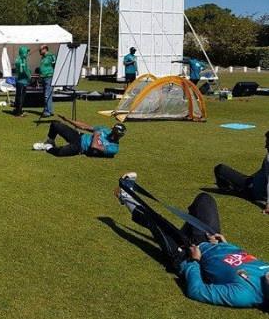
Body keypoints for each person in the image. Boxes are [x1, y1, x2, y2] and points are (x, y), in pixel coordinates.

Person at [116, 172, 269, 308]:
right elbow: (241, 260)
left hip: (186, 255)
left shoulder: (244, 295)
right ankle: (182, 233)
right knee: (205, 199)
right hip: (211, 241)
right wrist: (226, 245)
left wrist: (194, 261)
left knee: (156, 221)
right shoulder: (267, 270)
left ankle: (124, 195)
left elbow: (197, 291)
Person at [214, 131, 269, 213]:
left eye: (268, 143)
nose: (265, 146)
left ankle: (226, 188)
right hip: (256, 184)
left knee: (220, 168)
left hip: (253, 190)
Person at [32, 115, 125, 157]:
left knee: (59, 152)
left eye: (117, 135)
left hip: (80, 148)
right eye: (113, 132)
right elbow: (84, 126)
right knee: (55, 124)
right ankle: (51, 141)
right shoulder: (104, 129)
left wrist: (96, 134)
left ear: (120, 136)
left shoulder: (113, 148)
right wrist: (68, 120)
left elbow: (94, 146)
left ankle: (47, 148)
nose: (113, 136)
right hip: (79, 136)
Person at [39, 45, 57, 117]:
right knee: (47, 95)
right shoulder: (43, 57)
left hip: (49, 77)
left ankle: (47, 112)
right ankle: (49, 110)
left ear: (45, 49)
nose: (39, 51)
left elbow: (55, 65)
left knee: (47, 95)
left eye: (41, 49)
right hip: (43, 77)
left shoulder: (51, 56)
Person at [13, 46, 31, 117]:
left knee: (18, 96)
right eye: (26, 52)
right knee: (21, 97)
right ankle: (19, 112)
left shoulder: (19, 59)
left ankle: (17, 110)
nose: (27, 53)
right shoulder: (22, 60)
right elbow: (22, 70)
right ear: (23, 52)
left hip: (20, 80)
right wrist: (28, 77)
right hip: (22, 81)